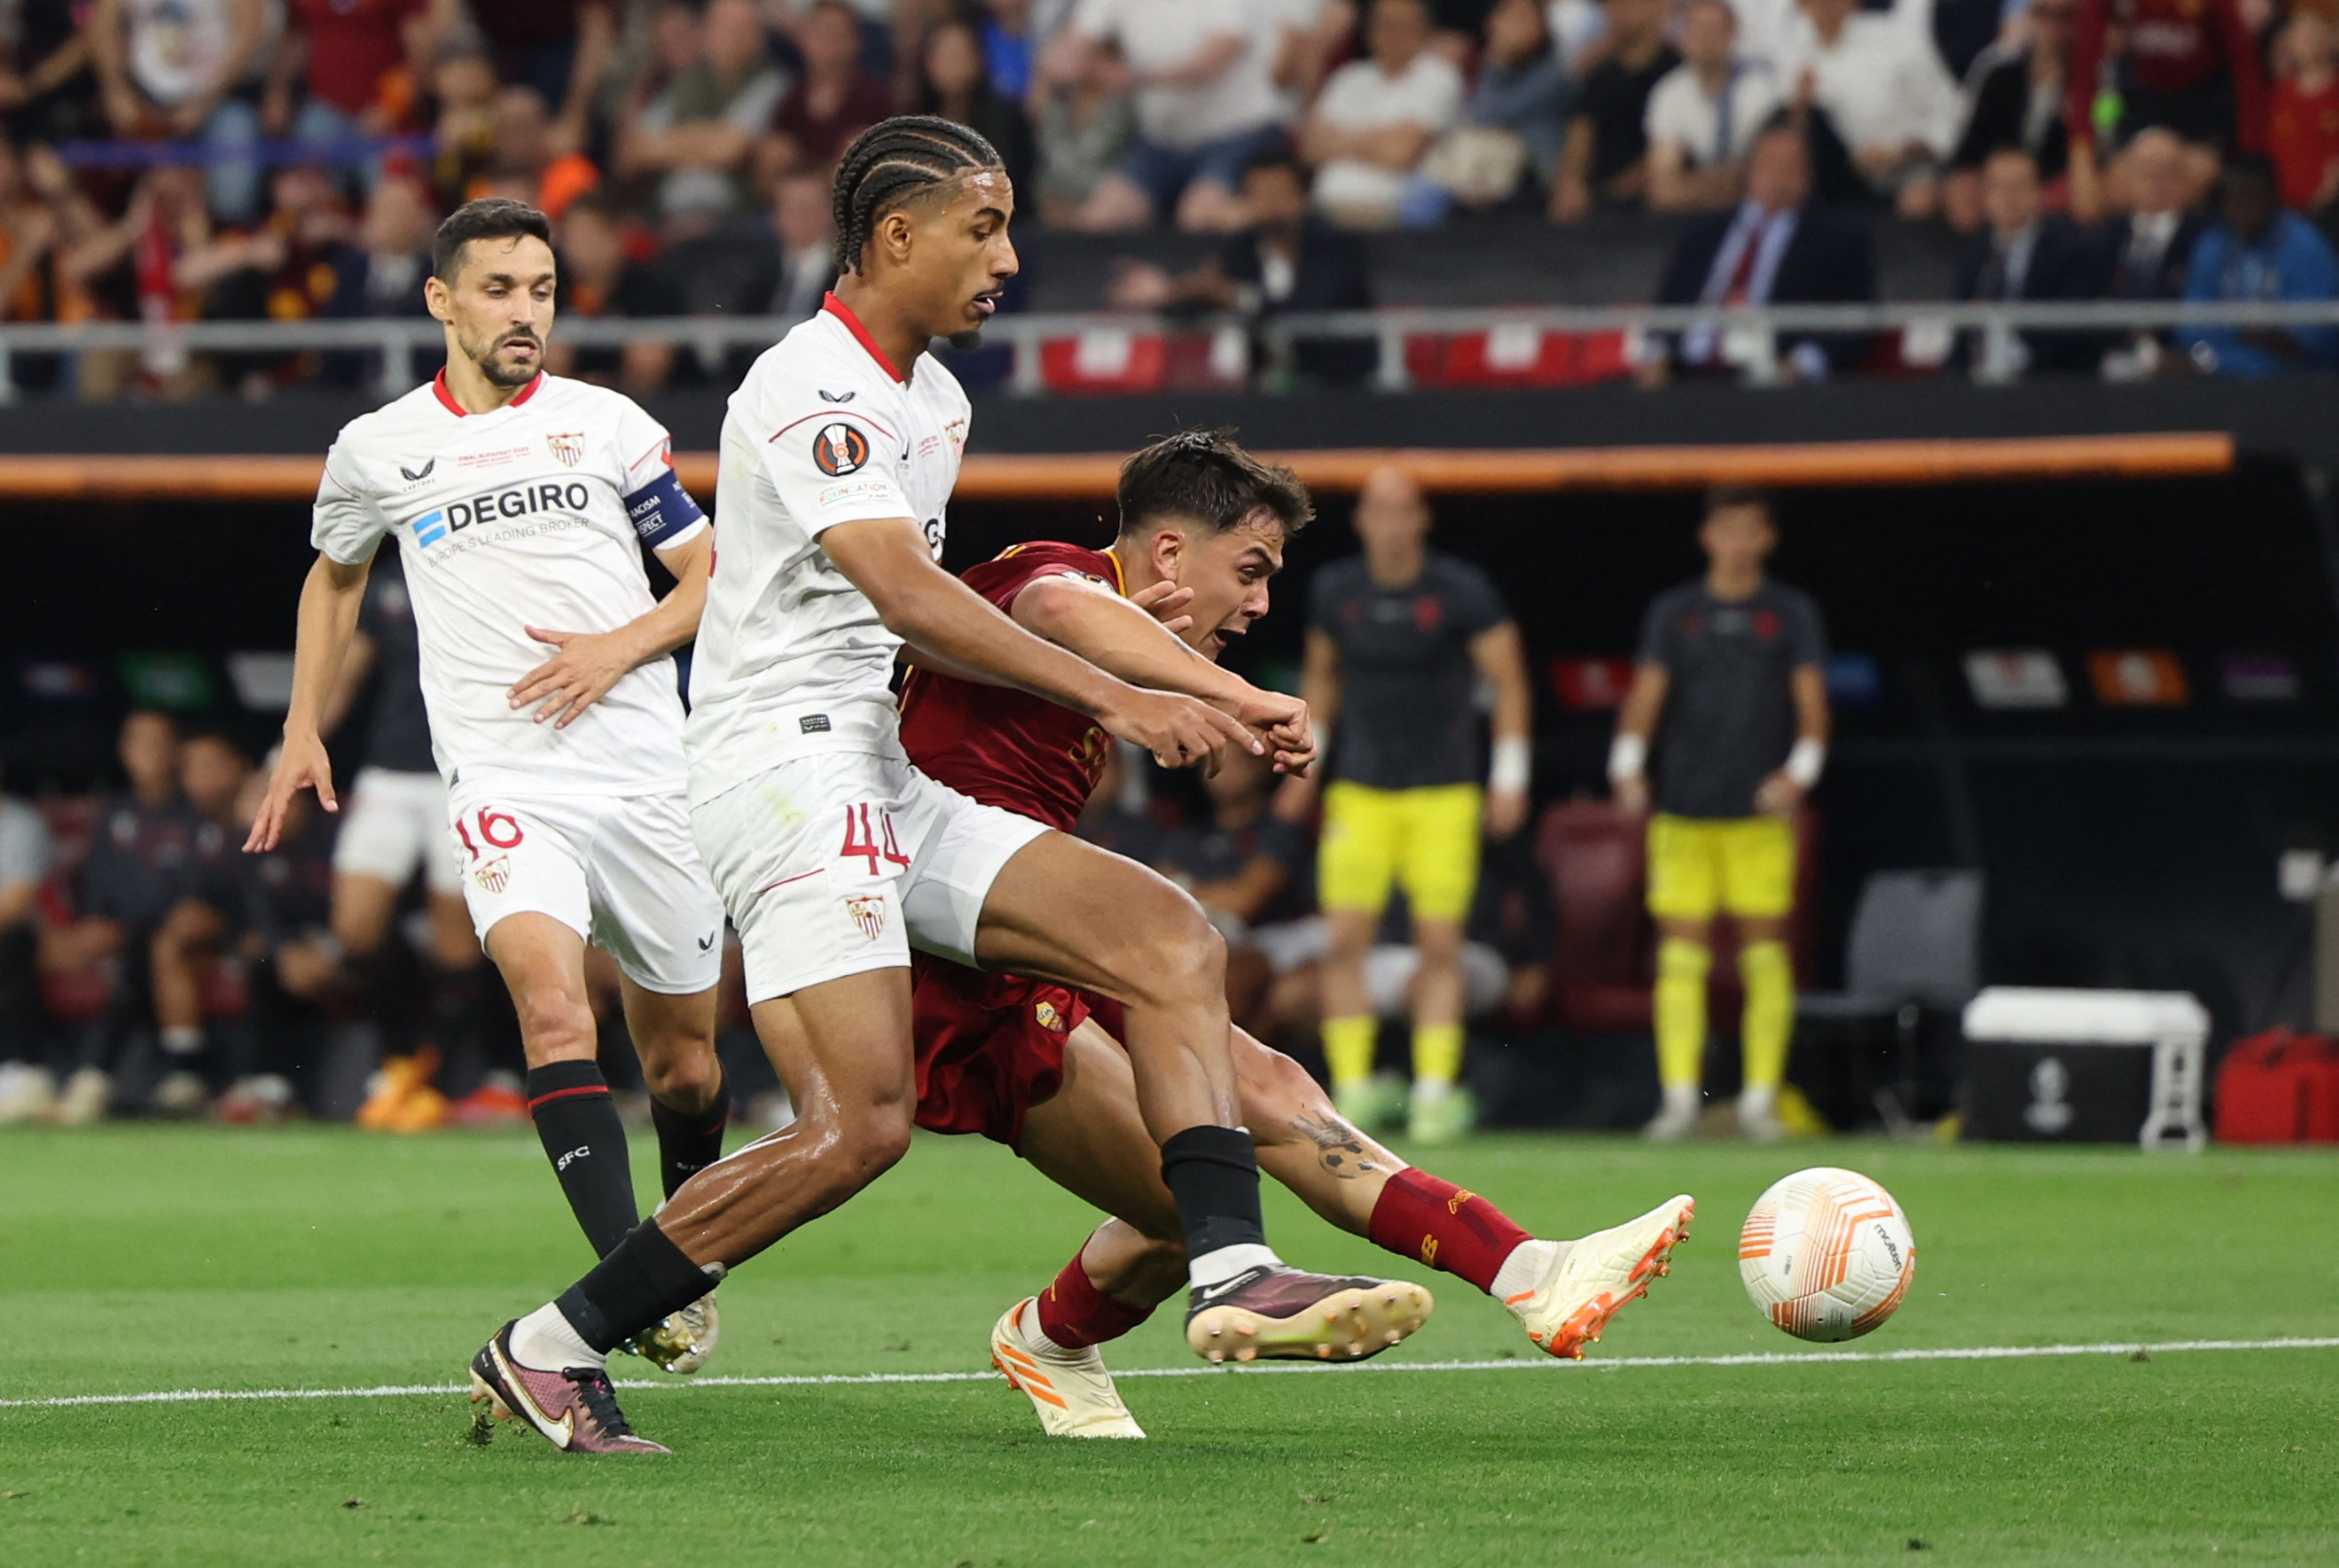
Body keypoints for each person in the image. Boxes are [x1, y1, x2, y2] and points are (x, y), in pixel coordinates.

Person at [465, 117, 1419, 1457]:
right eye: (984, 229)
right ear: (896, 235)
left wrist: (1156, 665)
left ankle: (1231, 1270)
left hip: (872, 760)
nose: (1008, 259)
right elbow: (905, 592)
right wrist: (1116, 697)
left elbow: (911, 628)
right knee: (857, 1128)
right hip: (780, 769)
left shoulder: (935, 401)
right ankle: (549, 1345)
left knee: (1169, 940)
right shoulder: (811, 385)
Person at [892, 430, 1694, 1438]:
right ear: (1170, 551)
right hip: (945, 966)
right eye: (1251, 570)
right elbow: (1058, 610)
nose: (1263, 603)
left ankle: (1529, 1269)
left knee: (1247, 1121)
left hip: (1023, 937)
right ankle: (1146, 1299)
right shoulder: (1056, 574)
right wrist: (1236, 694)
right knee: (1191, 1179)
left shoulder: (1129, 639)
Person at [246, 197, 734, 1380]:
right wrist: (302, 726)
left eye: (542, 290)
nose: (527, 312)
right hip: (504, 774)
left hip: (645, 771)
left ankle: (693, 1230)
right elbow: (334, 577)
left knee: (685, 1064)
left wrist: (617, 648)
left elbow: (712, 573)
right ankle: (634, 1282)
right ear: (442, 300)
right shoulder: (378, 446)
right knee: (554, 1013)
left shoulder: (606, 425)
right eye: (501, 288)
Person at [1274, 465, 1533, 1143]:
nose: (1390, 523)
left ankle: (1433, 1093)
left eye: (1402, 509)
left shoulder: (1460, 589)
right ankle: (1354, 1088)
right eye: (1378, 510)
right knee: (1344, 940)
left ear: (1421, 518)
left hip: (1444, 792)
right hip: (1361, 791)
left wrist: (1510, 775)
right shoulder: (1337, 590)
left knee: (1440, 944)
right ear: (1362, 520)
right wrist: (1304, 765)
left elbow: (1508, 680)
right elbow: (1322, 682)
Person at [1609, 488, 1830, 1143]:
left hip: (1757, 816)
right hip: (1684, 810)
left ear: (1767, 538)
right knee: (1681, 957)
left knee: (1765, 954)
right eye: (1727, 529)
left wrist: (1799, 773)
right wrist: (1627, 762)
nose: (1738, 543)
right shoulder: (1676, 612)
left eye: (1750, 530)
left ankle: (1760, 1100)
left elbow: (1812, 703)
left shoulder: (1789, 613)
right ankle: (1679, 1099)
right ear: (1707, 536)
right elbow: (1648, 693)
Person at [304, 550, 495, 1124]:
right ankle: (401, 1054)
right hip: (389, 774)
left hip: (462, 774)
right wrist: (290, 748)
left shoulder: (489, 569)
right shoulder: (387, 583)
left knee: (460, 945)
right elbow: (345, 676)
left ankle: (450, 1076)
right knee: (355, 929)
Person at [1107, 144, 1374, 384]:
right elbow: (1206, 298)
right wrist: (1169, 293)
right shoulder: (1243, 248)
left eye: (1278, 194)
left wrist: (1237, 297)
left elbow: (1311, 308)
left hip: (1340, 382)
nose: (1269, 205)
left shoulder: (1336, 247)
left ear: (1303, 197)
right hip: (1264, 389)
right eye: (1258, 194)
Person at [1646, 115, 1877, 385]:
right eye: (1767, 166)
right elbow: (1666, 310)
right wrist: (1655, 358)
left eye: (1789, 168)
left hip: (1774, 381)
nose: (1776, 178)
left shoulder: (1837, 239)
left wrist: (1799, 366)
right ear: (1748, 170)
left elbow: (1851, 322)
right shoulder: (1704, 233)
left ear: (1808, 175)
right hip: (1686, 377)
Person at [41, 711, 192, 1123]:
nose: (148, 753)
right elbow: (99, 885)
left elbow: (197, 891)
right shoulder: (114, 813)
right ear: (124, 752)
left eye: (158, 742)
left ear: (175, 751)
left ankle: (99, 1074)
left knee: (142, 953)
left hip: (167, 939)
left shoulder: (192, 812)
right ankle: (30, 1071)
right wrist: (92, 925)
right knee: (34, 949)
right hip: (116, 935)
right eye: (138, 743)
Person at [1050, 0, 1289, 230]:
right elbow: (1070, 49)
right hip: (1161, 142)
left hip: (1237, 135)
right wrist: (1076, 65)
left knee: (1199, 218)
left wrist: (1139, 78)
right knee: (1101, 217)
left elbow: (1220, 53)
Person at [2065, 0, 2264, 222]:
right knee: (2104, 194)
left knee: (2185, 179)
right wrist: (2081, 160)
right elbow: (2084, 74)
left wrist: (2250, 158)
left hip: (2202, 112)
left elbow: (2246, 70)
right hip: (2140, 107)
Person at [89, 0, 270, 223]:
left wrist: (206, 101)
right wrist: (117, 90)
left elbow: (250, 34)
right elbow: (102, 26)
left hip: (222, 100)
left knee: (233, 199)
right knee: (108, 195)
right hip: (143, 103)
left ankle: (224, 237)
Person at [1779, 0, 1961, 219]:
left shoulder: (1895, 40)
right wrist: (1800, 109)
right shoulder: (1791, 56)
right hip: (1835, 188)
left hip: (1914, 172)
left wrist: (1904, 152)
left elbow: (1951, 112)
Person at [619, 0, 786, 229]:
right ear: (708, 31)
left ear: (759, 37)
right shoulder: (688, 80)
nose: (733, 38)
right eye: (725, 26)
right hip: (666, 213)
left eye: (743, 29)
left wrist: (671, 146)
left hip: (732, 217)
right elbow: (635, 148)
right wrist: (706, 142)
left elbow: (728, 150)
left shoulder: (771, 82)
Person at [1300, 0, 1464, 227]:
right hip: (1324, 211)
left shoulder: (1439, 77)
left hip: (1392, 218)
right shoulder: (1348, 78)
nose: (1392, 35)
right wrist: (1377, 140)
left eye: (1402, 27)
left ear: (1424, 32)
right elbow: (1310, 148)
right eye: (1385, 25)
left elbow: (1400, 154)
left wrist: (1341, 139)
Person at [1952, 144, 2106, 379]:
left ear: (2039, 192)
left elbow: (2073, 330)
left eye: (2018, 187)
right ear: (1985, 194)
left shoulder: (2070, 249)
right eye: (1999, 187)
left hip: (2045, 380)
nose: (2008, 197)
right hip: (1978, 380)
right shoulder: (1973, 252)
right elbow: (1960, 331)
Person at [2179, 154, 2339, 378]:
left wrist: (2240, 332)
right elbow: (2192, 324)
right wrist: (2213, 356)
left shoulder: (2306, 247)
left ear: (2272, 198)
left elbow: (2308, 340)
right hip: (2218, 375)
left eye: (2250, 196)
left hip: (2299, 382)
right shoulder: (2213, 244)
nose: (2240, 208)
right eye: (2232, 198)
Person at [1944, 0, 2076, 233]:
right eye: (2042, 14)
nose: (2051, 26)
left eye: (2063, 16)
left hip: (2053, 193)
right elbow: (1970, 148)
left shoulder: (2095, 85)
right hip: (1999, 186)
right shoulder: (2001, 77)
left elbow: (2100, 139)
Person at [1647, 0, 1781, 215]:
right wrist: (1719, 185)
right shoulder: (1669, 93)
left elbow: (1763, 177)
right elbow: (1663, 186)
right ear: (1684, 36)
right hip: (1690, 216)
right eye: (1697, 29)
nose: (1705, 39)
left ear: (1732, 34)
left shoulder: (1761, 89)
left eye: (1713, 30)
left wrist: (1694, 184)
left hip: (1756, 211)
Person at [1550, 0, 1681, 219]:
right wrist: (1571, 182)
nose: (1617, 11)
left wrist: (1620, 190)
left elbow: (1675, 146)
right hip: (1592, 205)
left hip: (1651, 208)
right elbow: (1581, 131)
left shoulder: (1677, 74)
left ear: (1658, 7)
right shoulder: (1602, 74)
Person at [548, 191, 686, 394]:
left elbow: (655, 356)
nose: (584, 250)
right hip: (570, 396)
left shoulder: (652, 286)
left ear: (618, 237)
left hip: (642, 398)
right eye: (575, 239)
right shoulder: (548, 286)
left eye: (593, 238)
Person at [764, 0, 893, 176]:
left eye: (835, 35)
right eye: (819, 34)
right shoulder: (791, 99)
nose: (827, 45)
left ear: (854, 42)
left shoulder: (874, 99)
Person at [0, 762, 55, 1123]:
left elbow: (15, 903)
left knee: (11, 945)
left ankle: (20, 1069)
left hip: (19, 935)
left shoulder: (21, 824)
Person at [2268, 10, 2339, 216]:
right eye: (2298, 34)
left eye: (2312, 34)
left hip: (2327, 210)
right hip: (2280, 208)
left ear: (2331, 39)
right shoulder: (2279, 92)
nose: (2305, 41)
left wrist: (2324, 197)